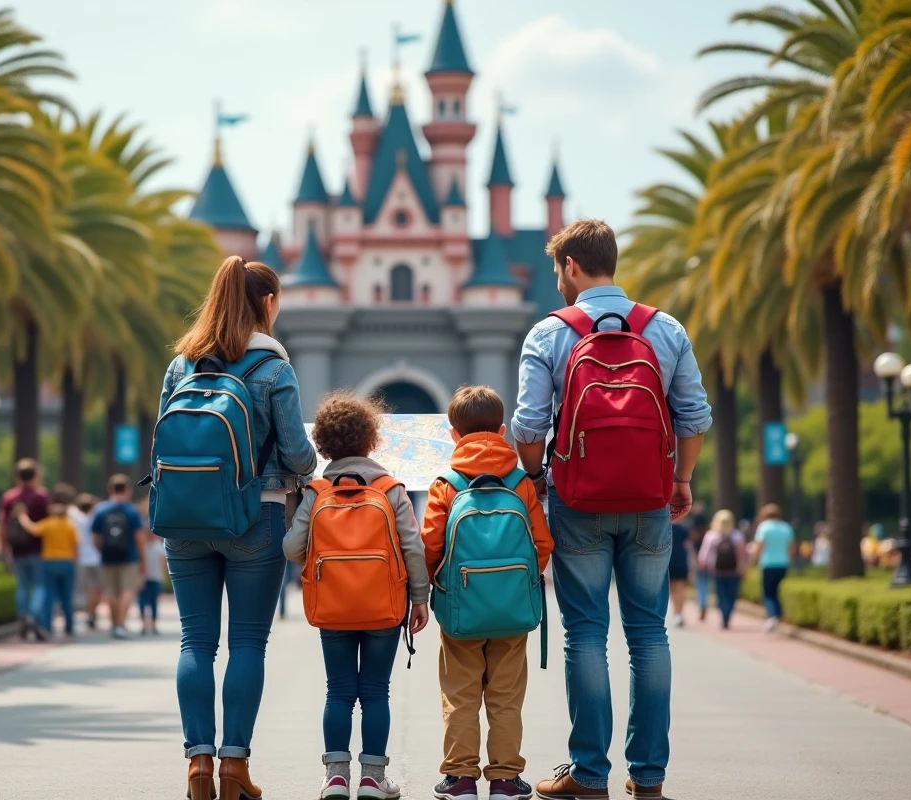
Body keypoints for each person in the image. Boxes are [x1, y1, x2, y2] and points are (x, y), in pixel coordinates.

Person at [512, 220, 711, 800]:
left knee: (586, 634)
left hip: (578, 502)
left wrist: (537, 477)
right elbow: (694, 417)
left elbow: (527, 427)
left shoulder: (550, 334)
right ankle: (648, 776)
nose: (557, 282)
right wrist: (681, 480)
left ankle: (590, 774)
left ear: (572, 265)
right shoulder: (664, 328)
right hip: (651, 502)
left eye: (557, 271)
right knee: (649, 634)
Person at [160, 255, 317, 800]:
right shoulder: (274, 367)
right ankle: (233, 767)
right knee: (248, 641)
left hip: (183, 518)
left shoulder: (182, 365)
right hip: (258, 515)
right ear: (268, 304)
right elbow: (299, 458)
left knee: (195, 641)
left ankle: (196, 763)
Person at [283, 392, 430, 800]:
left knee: (339, 691)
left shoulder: (316, 490)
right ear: (371, 439)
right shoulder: (390, 487)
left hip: (332, 607)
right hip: (384, 607)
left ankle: (334, 778)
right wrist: (420, 598)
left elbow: (293, 549)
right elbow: (413, 546)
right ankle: (372, 778)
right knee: (376, 691)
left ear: (325, 444)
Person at [422, 386, 553, 800]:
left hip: (461, 611)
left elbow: (430, 545)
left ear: (453, 435)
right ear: (500, 430)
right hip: (513, 613)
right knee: (506, 697)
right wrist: (518, 587)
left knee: (459, 695)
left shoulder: (447, 483)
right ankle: (504, 780)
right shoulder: (519, 483)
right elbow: (542, 544)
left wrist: (439, 588)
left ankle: (460, 778)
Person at [0, 459, 50, 640]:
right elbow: (48, 524)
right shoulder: (42, 496)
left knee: (22, 585)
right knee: (40, 585)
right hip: (38, 549)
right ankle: (33, 616)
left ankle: (22, 614)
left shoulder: (9, 497)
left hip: (17, 549)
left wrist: (4, 549)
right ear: (35, 475)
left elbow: (3, 526)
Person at [17, 487, 79, 638]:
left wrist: (22, 515)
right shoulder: (70, 525)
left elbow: (32, 529)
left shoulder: (48, 523)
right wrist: (73, 560)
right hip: (66, 562)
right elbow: (76, 544)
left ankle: (46, 626)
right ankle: (69, 626)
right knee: (67, 596)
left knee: (48, 595)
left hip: (49, 562)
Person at [92, 475, 148, 640]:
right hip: (128, 557)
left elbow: (95, 538)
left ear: (110, 489)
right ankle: (121, 625)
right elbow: (139, 538)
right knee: (127, 590)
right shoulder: (131, 511)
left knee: (110, 591)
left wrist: (102, 551)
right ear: (128, 490)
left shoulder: (101, 509)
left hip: (107, 557)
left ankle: (114, 624)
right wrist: (142, 560)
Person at [698, 510, 747, 630]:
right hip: (733, 570)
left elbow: (704, 554)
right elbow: (742, 554)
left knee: (720, 594)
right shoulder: (737, 535)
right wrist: (743, 568)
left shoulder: (711, 535)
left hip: (717, 569)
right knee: (732, 594)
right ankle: (727, 614)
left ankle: (723, 613)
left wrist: (702, 564)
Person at [753, 504, 796, 633]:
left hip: (767, 564)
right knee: (777, 591)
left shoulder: (764, 527)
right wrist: (790, 560)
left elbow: (759, 546)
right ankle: (778, 614)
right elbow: (792, 547)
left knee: (768, 593)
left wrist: (754, 560)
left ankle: (773, 616)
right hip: (782, 563)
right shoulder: (786, 527)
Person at [72, 493, 101, 630]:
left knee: (86, 589)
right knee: (96, 589)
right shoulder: (95, 518)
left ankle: (88, 614)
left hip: (81, 558)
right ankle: (92, 614)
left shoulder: (75, 518)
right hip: (96, 558)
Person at [667, 516, 693, 627]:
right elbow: (689, 548)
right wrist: (692, 563)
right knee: (681, 589)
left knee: (673, 589)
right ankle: (679, 613)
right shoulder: (683, 530)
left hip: (669, 562)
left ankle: (677, 613)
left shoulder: (664, 529)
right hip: (681, 563)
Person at [139, 533, 166, 635]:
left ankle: (150, 624)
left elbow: (163, 563)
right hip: (149, 578)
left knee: (148, 602)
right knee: (146, 602)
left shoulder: (155, 547)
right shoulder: (156, 547)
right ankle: (147, 624)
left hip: (151, 578)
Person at [688, 514, 711, 622]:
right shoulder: (708, 533)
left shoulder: (693, 535)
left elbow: (691, 550)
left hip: (698, 562)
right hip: (710, 563)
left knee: (701, 586)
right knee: (706, 585)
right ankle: (703, 604)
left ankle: (702, 605)